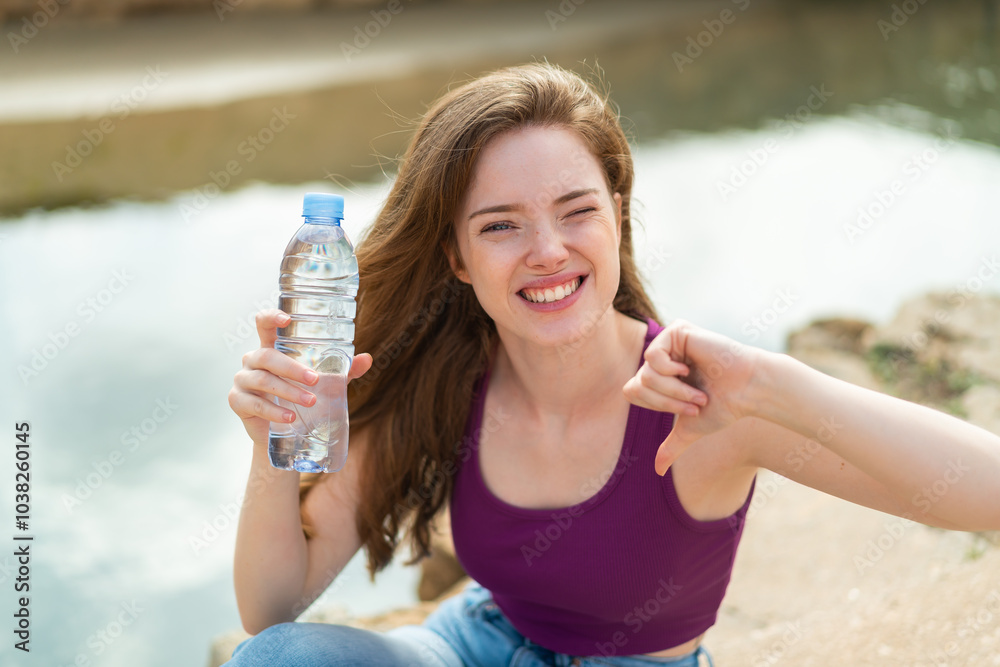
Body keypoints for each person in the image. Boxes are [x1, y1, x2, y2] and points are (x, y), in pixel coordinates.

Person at [224, 62, 1000, 667]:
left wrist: (774, 383)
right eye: (501, 226)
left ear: (617, 212)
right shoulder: (440, 383)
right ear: (456, 257)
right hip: (470, 645)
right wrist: (271, 445)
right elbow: (271, 614)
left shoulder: (706, 399)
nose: (548, 251)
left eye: (576, 210)